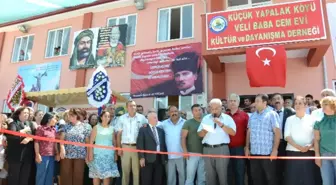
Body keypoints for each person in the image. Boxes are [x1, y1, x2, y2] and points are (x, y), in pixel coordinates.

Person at [197, 98, 236, 185]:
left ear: (221, 107)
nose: (214, 111)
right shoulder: (206, 118)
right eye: (212, 108)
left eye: (216, 108)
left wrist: (221, 124)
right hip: (207, 149)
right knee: (209, 176)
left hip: (221, 149)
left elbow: (233, 132)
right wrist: (205, 131)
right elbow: (199, 134)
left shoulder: (227, 118)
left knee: (223, 176)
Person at [245, 94, 280, 185]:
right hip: (254, 153)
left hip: (267, 154)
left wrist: (275, 150)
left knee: (270, 179)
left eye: (257, 101)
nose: (255, 103)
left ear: (265, 102)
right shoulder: (252, 116)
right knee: (256, 179)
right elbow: (249, 132)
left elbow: (277, 133)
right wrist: (247, 147)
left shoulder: (272, 114)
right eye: (255, 101)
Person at [283, 96, 315, 185]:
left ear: (305, 105)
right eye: (296, 103)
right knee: (293, 179)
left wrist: (309, 146)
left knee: (308, 178)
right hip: (293, 152)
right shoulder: (289, 119)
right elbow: (287, 136)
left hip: (309, 152)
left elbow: (315, 136)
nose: (297, 105)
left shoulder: (312, 119)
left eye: (300, 103)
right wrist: (299, 147)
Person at [116, 100, 147, 185]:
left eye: (134, 105)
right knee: (125, 172)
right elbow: (118, 135)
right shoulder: (121, 118)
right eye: (130, 106)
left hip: (137, 148)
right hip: (125, 147)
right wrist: (119, 148)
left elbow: (146, 133)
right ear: (127, 107)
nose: (133, 107)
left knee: (136, 172)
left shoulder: (142, 118)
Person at [59, 108, 92, 185]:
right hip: (67, 155)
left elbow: (87, 143)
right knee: (66, 175)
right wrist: (62, 148)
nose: (69, 117)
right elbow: (61, 140)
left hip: (80, 155)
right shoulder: (66, 126)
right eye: (69, 115)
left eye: (72, 115)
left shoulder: (85, 127)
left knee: (78, 176)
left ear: (77, 116)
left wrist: (87, 155)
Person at [88, 111, 119, 185]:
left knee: (107, 176)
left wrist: (115, 155)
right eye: (105, 116)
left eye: (108, 116)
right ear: (101, 117)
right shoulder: (96, 127)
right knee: (96, 176)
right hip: (97, 155)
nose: (107, 118)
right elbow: (91, 142)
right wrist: (90, 154)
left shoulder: (112, 128)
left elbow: (114, 143)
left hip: (109, 156)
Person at [6, 107, 35, 185]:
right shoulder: (13, 123)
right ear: (19, 113)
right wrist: (23, 131)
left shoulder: (30, 124)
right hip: (15, 155)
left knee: (25, 177)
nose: (27, 115)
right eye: (25, 113)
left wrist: (29, 139)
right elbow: (11, 136)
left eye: (28, 113)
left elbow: (34, 136)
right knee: (14, 177)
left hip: (27, 155)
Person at [137, 111, 167, 185]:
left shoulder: (160, 130)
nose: (157, 119)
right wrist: (141, 158)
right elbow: (140, 144)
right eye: (154, 118)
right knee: (147, 180)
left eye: (156, 117)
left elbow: (163, 145)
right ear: (149, 119)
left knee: (158, 180)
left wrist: (165, 158)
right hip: (148, 159)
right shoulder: (143, 129)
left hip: (159, 158)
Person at [158, 105, 186, 185]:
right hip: (169, 156)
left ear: (179, 112)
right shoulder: (163, 124)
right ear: (169, 113)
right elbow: (153, 126)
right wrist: (145, 125)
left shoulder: (185, 123)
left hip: (181, 155)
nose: (174, 113)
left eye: (175, 111)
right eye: (172, 112)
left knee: (183, 176)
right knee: (170, 177)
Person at [226, 93, 249, 185]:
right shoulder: (224, 116)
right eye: (230, 101)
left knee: (240, 172)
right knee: (229, 173)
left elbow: (248, 132)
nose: (232, 103)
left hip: (240, 149)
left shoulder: (244, 115)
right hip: (226, 148)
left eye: (234, 101)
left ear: (238, 103)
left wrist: (247, 147)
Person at [314, 96, 336, 185]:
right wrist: (317, 156)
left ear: (333, 105)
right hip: (325, 156)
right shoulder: (318, 122)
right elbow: (316, 139)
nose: (323, 106)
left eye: (326, 104)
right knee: (327, 182)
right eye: (322, 104)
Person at [182, 104, 205, 185]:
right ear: (192, 112)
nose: (198, 112)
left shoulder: (205, 122)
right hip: (192, 154)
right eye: (196, 110)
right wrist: (185, 151)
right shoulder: (188, 123)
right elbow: (183, 137)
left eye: (199, 110)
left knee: (202, 179)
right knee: (190, 178)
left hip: (204, 153)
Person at [35, 112, 58, 185]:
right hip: (43, 156)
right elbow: (36, 142)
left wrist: (57, 153)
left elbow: (55, 143)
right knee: (41, 176)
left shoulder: (54, 129)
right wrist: (37, 154)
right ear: (49, 119)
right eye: (54, 118)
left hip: (52, 156)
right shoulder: (40, 128)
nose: (56, 120)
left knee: (49, 176)